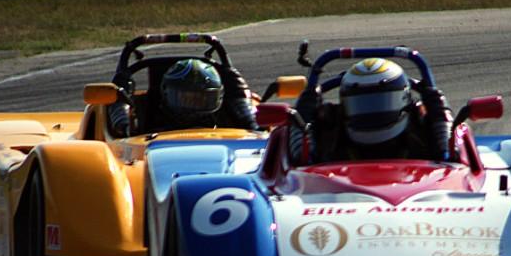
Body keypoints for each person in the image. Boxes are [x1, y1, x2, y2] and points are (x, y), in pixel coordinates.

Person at [290, 58, 453, 165]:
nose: (372, 113)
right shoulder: (328, 132)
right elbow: (296, 163)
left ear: (404, 102)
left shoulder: (427, 132)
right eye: (361, 104)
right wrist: (305, 111)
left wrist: (438, 111)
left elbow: (453, 157)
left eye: (381, 103)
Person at [108, 58, 258, 137]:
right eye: (187, 98)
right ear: (166, 94)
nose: (194, 106)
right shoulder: (139, 111)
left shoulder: (233, 115)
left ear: (218, 97)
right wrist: (124, 127)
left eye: (202, 99)